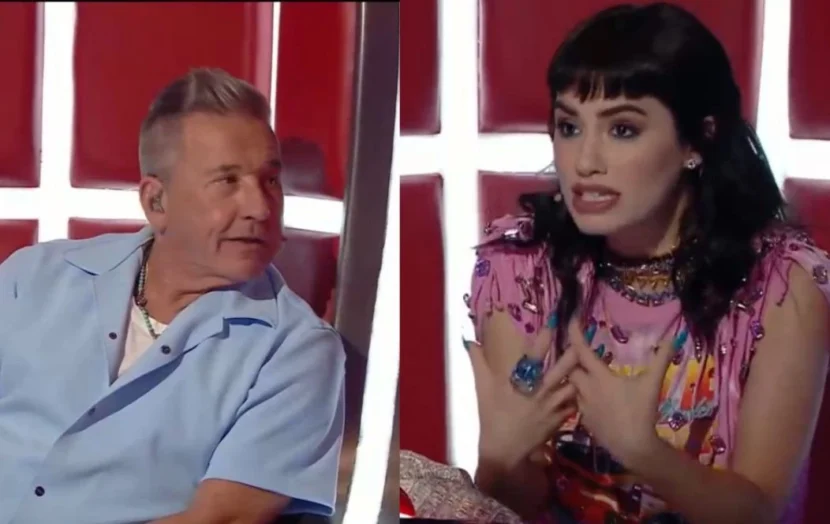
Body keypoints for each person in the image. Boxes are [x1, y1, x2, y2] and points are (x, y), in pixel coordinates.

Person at [401, 3, 830, 523]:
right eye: (569, 127)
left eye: (622, 129)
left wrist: (646, 453)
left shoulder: (782, 284)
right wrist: (500, 459)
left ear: (698, 141)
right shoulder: (522, 269)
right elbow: (514, 506)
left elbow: (761, 513)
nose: (584, 162)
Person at [0, 68, 346, 523]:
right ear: (156, 202)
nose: (260, 208)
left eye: (269, 181)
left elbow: (220, 520)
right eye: (228, 181)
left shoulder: (297, 352)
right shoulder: (35, 275)